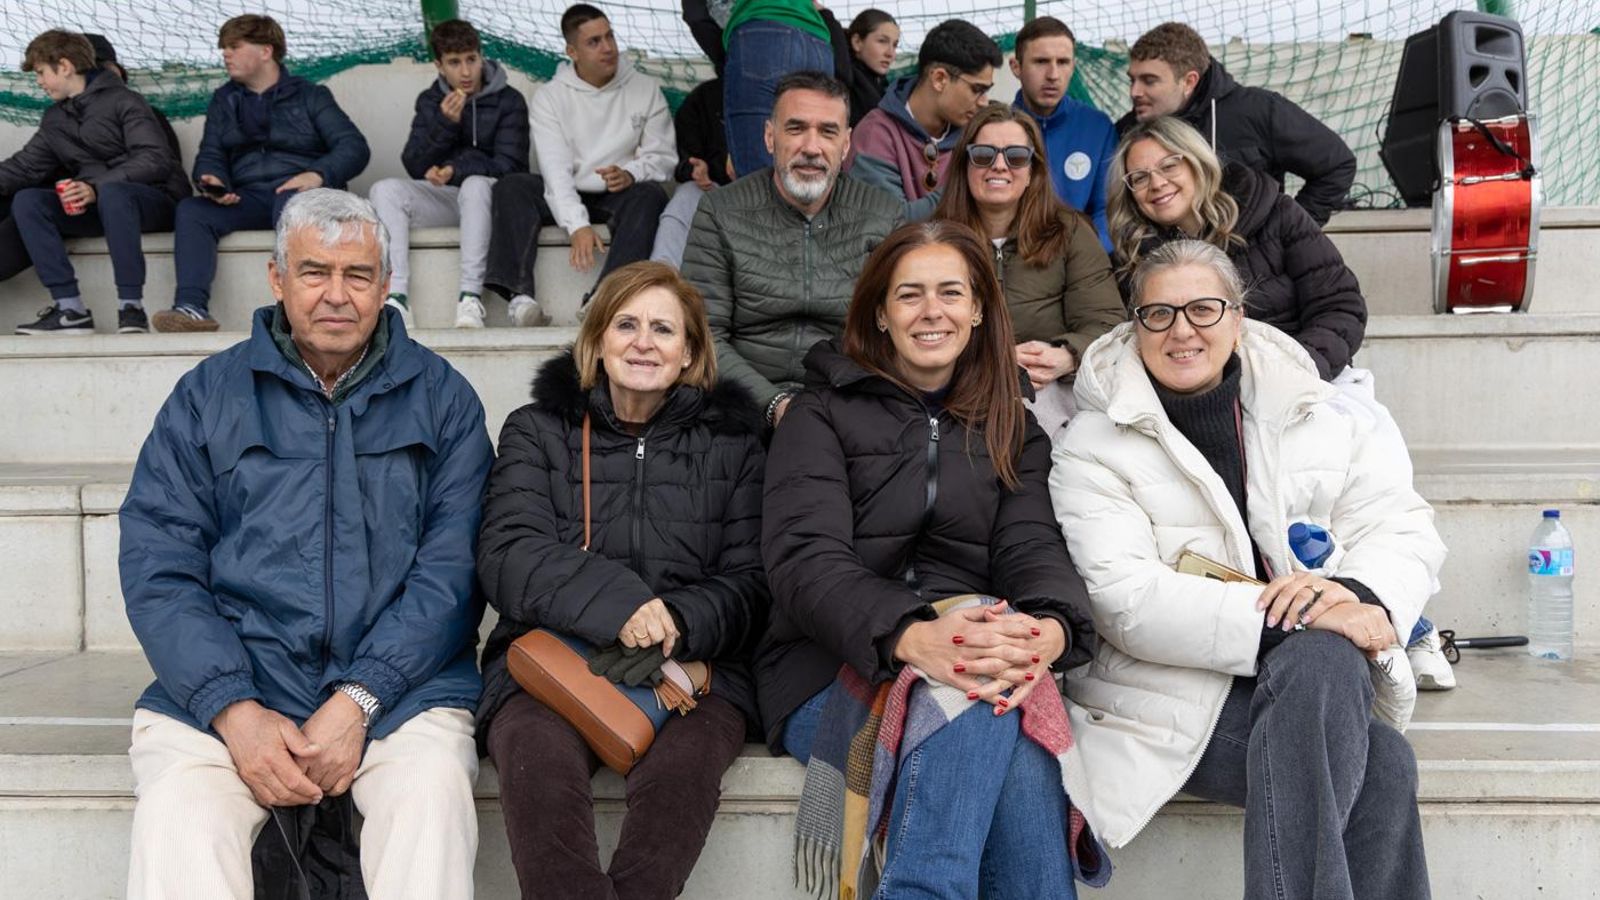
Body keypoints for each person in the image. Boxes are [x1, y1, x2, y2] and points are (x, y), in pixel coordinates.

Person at [119, 189, 492, 899]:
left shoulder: (443, 398)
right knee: (180, 818)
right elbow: (159, 567)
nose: (336, 295)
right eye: (314, 272)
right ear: (276, 278)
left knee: (431, 794)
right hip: (236, 686)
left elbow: (454, 569)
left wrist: (361, 698)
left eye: (357, 276)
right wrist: (234, 707)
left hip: (401, 692)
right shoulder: (207, 396)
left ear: (386, 285)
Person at [1049, 238, 1445, 899]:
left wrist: (1352, 594)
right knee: (1353, 714)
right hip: (1164, 697)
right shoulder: (1093, 444)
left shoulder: (1314, 408)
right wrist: (1308, 619)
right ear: (1133, 325)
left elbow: (1400, 525)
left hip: (1310, 687)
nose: (1183, 331)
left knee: (1359, 721)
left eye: (1204, 309)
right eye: (1159, 314)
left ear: (1238, 315)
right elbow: (1126, 601)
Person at [759, 220, 1102, 899]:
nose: (931, 311)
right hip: (829, 664)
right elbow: (805, 561)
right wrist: (913, 638)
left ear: (978, 310)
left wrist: (1051, 631)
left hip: (975, 652)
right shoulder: (818, 415)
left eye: (951, 292)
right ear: (880, 313)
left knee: (1005, 723)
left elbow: (1032, 547)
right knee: (984, 702)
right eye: (909, 294)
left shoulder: (1013, 424)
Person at [475, 260, 767, 900]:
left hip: (694, 672)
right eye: (626, 324)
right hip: (553, 663)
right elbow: (508, 553)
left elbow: (753, 579)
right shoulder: (537, 429)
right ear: (597, 340)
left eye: (663, 329)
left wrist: (678, 625)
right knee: (535, 759)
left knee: (682, 777)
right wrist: (625, 607)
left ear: (689, 350)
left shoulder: (735, 444)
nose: (643, 342)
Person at [681, 71, 902, 427]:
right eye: (796, 128)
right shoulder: (720, 210)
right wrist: (774, 404)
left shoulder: (883, 214)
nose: (811, 148)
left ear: (846, 145)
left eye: (828, 132)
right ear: (770, 137)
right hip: (737, 402)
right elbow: (703, 333)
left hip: (849, 399)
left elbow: (896, 329)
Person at [153, 14, 370, 333]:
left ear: (266, 51)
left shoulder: (311, 95)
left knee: (291, 205)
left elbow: (354, 147)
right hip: (249, 197)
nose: (225, 54)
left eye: (234, 46)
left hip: (300, 194)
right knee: (192, 210)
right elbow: (210, 153)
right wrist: (213, 179)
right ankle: (192, 308)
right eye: (223, 48)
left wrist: (316, 175)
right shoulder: (223, 99)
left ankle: (295, 312)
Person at [1107, 115, 1365, 381]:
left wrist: (1299, 370)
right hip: (1190, 394)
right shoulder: (1132, 258)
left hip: (1295, 375)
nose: (1157, 183)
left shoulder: (1275, 214)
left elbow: (1339, 306)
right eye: (1139, 178)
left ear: (1197, 162)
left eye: (1170, 165)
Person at [934, 103, 1123, 438]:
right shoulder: (933, 239)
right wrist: (993, 361)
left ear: (1034, 170)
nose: (1000, 166)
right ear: (964, 164)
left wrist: (1068, 355)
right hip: (958, 393)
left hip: (1051, 395)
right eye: (983, 155)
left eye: (1017, 156)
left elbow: (1107, 323)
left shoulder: (1069, 232)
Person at [487, 3, 674, 309]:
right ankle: (520, 299)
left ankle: (607, 296)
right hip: (566, 192)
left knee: (651, 195)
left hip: (619, 192)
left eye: (610, 37)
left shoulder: (645, 88)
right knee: (510, 187)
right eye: (594, 42)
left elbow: (664, 157)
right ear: (572, 52)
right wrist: (577, 225)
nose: (608, 48)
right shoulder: (551, 96)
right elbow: (555, 171)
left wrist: (631, 173)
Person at [3, 30, 187, 335]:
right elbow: (23, 168)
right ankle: (70, 310)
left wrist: (95, 186)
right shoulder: (54, 119)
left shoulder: (125, 101)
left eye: (40, 73)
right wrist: (91, 190)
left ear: (64, 66)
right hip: (101, 205)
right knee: (29, 200)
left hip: (153, 200)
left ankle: (132, 308)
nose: (38, 82)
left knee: (114, 194)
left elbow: (155, 159)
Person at [368, 18, 530, 330]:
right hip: (447, 200)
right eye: (455, 63)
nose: (466, 72)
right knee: (385, 190)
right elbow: (413, 163)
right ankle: (397, 300)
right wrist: (443, 124)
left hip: (489, 201)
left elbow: (512, 165)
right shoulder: (431, 100)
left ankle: (469, 299)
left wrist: (456, 170)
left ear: (482, 56)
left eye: (472, 59)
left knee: (474, 185)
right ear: (439, 65)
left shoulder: (509, 100)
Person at [1116, 21, 1355, 226]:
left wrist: (1289, 233)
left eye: (1149, 81)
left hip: (1253, 271)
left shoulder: (1257, 109)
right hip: (1172, 268)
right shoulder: (1128, 130)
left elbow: (1336, 165)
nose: (1135, 91)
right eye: (1132, 80)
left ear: (1189, 81)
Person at [847, 19, 1000, 220]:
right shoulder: (875, 134)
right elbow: (889, 225)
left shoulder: (977, 133)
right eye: (976, 89)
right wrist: (966, 185)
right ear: (939, 79)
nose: (983, 102)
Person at [1010, 16, 1116, 251]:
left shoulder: (1097, 127)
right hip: (1016, 258)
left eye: (1063, 62)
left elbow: (1105, 208)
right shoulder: (998, 131)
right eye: (1041, 61)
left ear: (1073, 66)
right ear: (1016, 67)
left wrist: (1087, 257)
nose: (1053, 75)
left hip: (1081, 257)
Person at [720, 0, 834, 176]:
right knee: (811, 173)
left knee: (757, 177)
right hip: (818, 41)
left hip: (763, 29)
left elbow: (696, 15)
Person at [647, 75, 731, 268]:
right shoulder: (706, 96)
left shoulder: (788, 95)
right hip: (717, 190)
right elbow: (684, 160)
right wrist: (696, 169)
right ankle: (664, 279)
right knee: (687, 195)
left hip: (774, 195)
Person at [820, 7, 899, 128]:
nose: (890, 53)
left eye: (895, 45)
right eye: (882, 41)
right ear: (857, 42)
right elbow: (843, 73)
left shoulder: (882, 87)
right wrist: (828, 17)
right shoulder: (848, 78)